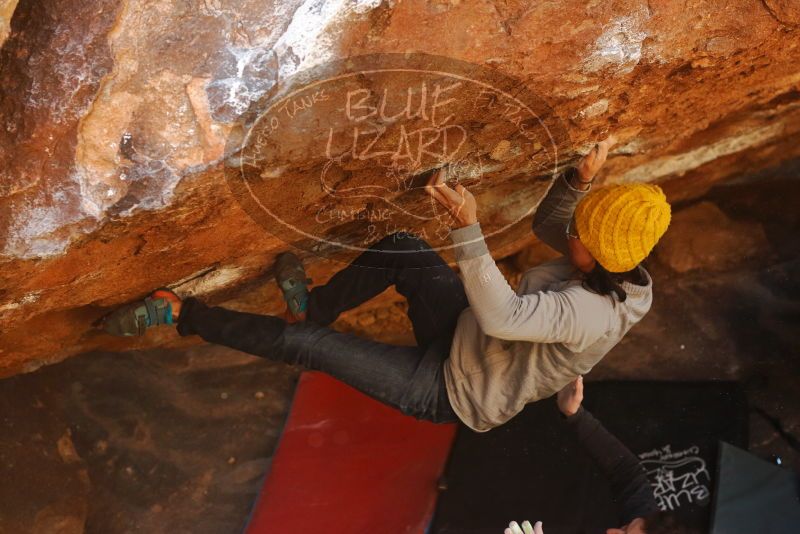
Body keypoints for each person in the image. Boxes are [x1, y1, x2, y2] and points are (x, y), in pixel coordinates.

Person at [103, 135, 671, 433]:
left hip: (454, 390)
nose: (573, 236)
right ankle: (312, 307)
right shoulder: (607, 266)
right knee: (403, 250)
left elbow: (506, 318)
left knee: (310, 351)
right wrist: (577, 180)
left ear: (597, 259)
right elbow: (552, 227)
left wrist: (468, 228)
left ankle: (180, 315)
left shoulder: (591, 312)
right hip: (471, 336)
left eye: (583, 236)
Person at [505, 377, 664, 534]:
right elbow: (625, 471)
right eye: (625, 526)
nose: (611, 532)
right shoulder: (645, 521)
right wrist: (575, 415)